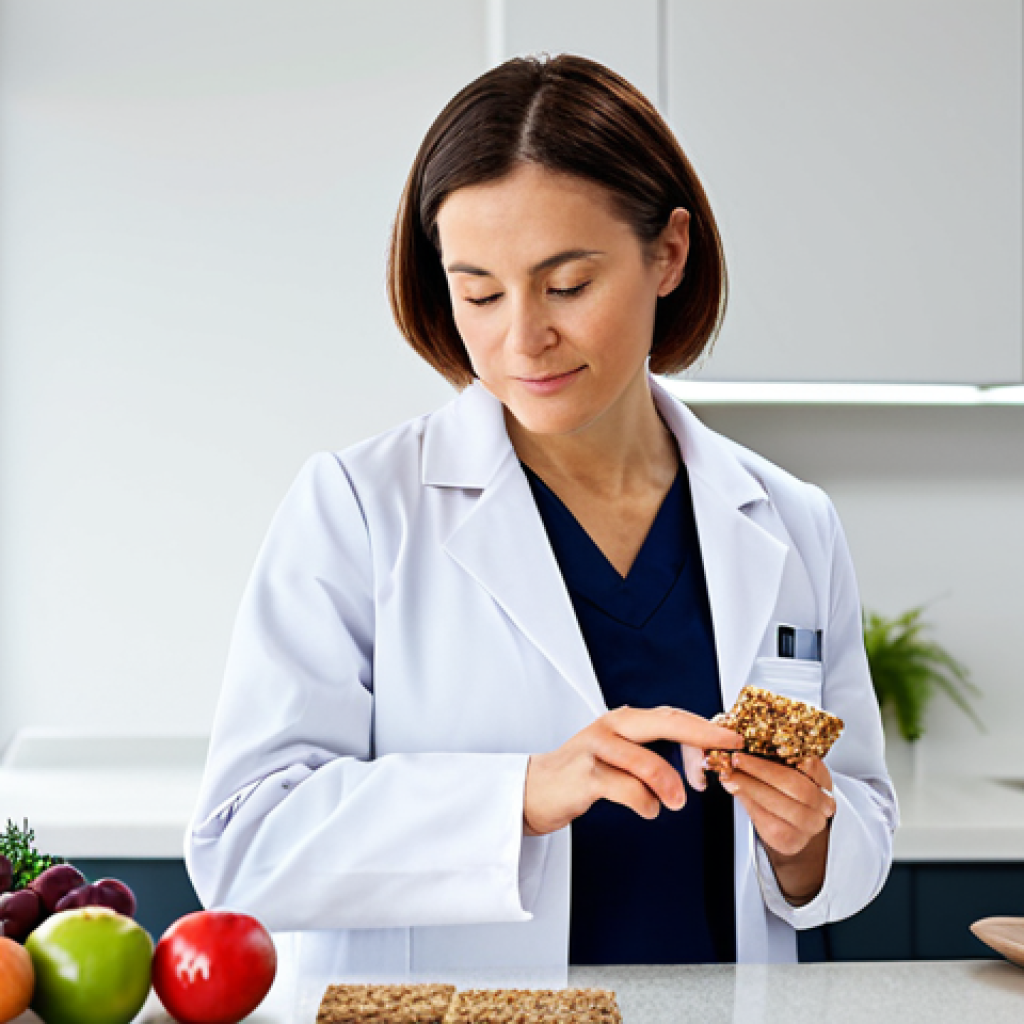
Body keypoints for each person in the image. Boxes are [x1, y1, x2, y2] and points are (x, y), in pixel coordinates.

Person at [185, 54, 898, 982]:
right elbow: (244, 843)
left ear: (668, 253)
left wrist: (808, 842)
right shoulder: (359, 509)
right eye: (479, 292)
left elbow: (863, 825)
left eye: (567, 286)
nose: (522, 338)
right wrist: (520, 792)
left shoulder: (791, 520)